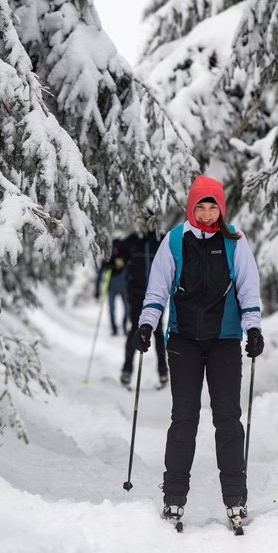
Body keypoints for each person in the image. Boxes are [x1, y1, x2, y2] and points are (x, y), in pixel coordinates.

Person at [134, 175, 264, 530]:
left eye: (213, 207)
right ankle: (174, 498)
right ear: (191, 207)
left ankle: (235, 499)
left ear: (221, 208)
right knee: (184, 418)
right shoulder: (176, 240)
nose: (207, 214)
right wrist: (147, 324)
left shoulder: (235, 241)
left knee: (227, 418)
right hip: (183, 341)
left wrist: (253, 329)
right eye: (201, 207)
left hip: (224, 340)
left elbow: (248, 290)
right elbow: (157, 290)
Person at [118, 221, 169, 387]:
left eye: (149, 221)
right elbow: (117, 255)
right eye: (143, 222)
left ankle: (163, 371)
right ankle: (127, 370)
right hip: (137, 293)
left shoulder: (160, 240)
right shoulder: (133, 241)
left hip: (157, 295)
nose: (146, 225)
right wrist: (113, 262)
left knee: (158, 331)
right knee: (135, 329)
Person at [95, 238, 129, 336]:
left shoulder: (126, 258)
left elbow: (132, 272)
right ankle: (114, 328)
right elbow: (100, 275)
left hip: (124, 288)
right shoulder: (108, 259)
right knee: (112, 309)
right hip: (112, 288)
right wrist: (97, 290)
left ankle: (124, 325)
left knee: (127, 309)